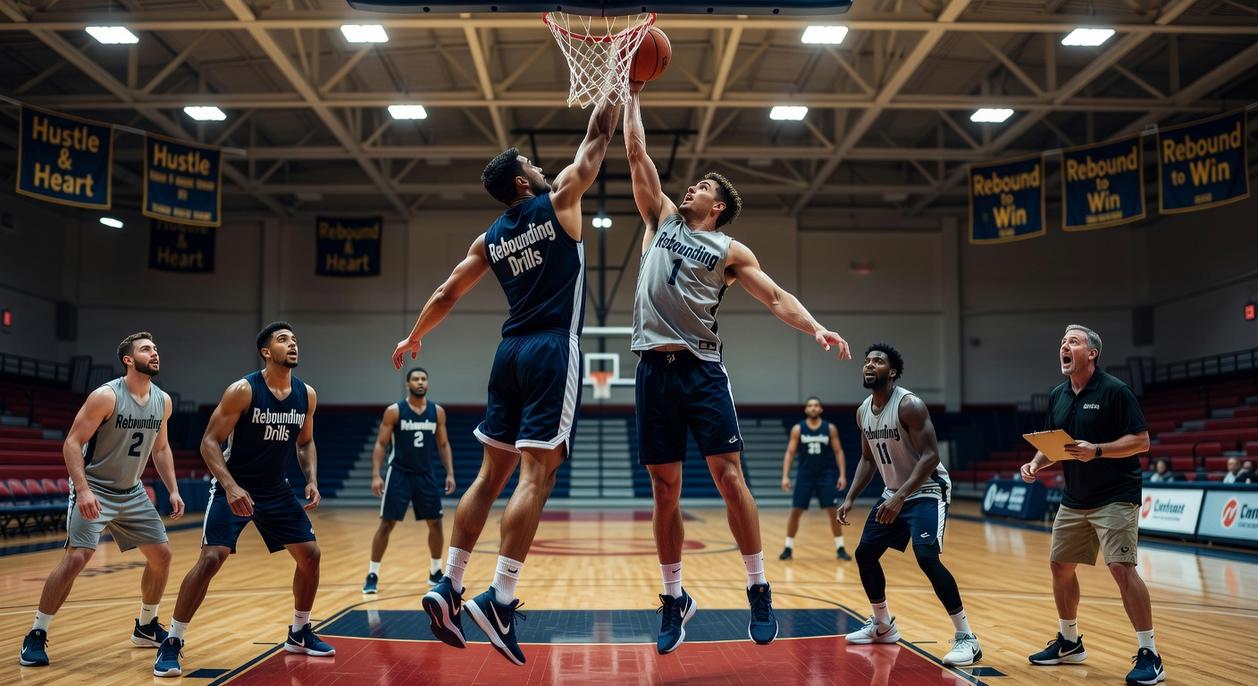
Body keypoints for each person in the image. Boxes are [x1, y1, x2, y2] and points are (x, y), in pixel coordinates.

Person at [622, 81, 851, 655]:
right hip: (652, 370)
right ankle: (674, 597)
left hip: (701, 370)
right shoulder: (660, 218)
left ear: (717, 205)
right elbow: (635, 153)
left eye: (701, 185)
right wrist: (632, 93)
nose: (689, 187)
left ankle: (758, 586)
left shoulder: (730, 250)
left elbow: (775, 298)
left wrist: (816, 326)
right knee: (664, 490)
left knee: (729, 478)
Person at [394, 95, 621, 666]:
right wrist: (619, 83)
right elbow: (596, 140)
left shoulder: (491, 236)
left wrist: (414, 336)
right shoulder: (560, 200)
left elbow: (448, 290)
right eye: (532, 168)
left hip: (508, 353)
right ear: (523, 184)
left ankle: (450, 582)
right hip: (551, 349)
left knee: (491, 473)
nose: (541, 170)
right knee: (536, 475)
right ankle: (500, 598)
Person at [155, 322, 330, 677]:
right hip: (234, 484)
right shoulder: (243, 390)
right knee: (211, 560)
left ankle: (299, 632)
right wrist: (231, 487)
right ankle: (172, 640)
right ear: (267, 352)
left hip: (276, 489)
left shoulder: (306, 394)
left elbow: (305, 442)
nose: (292, 344)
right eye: (283, 340)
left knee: (310, 555)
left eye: (295, 340)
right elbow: (208, 442)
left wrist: (311, 478)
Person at [19, 332, 184, 668]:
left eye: (155, 349)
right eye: (146, 349)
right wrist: (82, 489)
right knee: (78, 557)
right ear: (128, 359)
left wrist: (173, 488)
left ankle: (145, 625)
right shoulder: (106, 396)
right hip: (95, 486)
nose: (154, 354)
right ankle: (36, 633)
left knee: (162, 555)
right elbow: (71, 443)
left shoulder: (162, 400)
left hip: (132, 490)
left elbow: (161, 448)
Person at [1019, 324, 1163, 685]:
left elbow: (1142, 441)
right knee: (1060, 566)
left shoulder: (1116, 391)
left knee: (1120, 567)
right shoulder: (1058, 395)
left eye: (1073, 342)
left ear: (1092, 353)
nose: (1064, 347)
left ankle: (1150, 653)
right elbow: (1055, 443)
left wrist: (1097, 450)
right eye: (1062, 343)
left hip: (1116, 494)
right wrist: (1037, 463)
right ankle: (1069, 642)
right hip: (1075, 497)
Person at [838, 343, 981, 667]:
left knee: (927, 557)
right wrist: (850, 497)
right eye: (867, 361)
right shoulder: (863, 412)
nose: (869, 365)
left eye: (878, 361)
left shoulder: (909, 405)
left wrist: (901, 497)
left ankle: (967, 638)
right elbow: (866, 458)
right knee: (865, 554)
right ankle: (883, 624)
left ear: (892, 373)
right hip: (894, 492)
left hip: (927, 489)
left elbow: (931, 456)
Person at [363, 367, 455, 593]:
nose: (420, 382)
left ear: (428, 383)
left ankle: (435, 571)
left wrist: (450, 472)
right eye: (416, 379)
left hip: (425, 474)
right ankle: (372, 574)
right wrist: (376, 475)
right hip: (399, 473)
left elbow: (443, 444)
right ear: (408, 384)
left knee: (436, 522)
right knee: (386, 524)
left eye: (424, 378)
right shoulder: (394, 411)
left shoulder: (437, 412)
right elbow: (381, 444)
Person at [778, 396, 850, 561]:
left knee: (833, 512)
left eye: (816, 405)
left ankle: (840, 548)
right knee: (796, 511)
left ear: (820, 409)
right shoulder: (798, 429)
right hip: (805, 476)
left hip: (825, 476)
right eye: (810, 405)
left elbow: (839, 451)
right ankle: (788, 547)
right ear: (806, 409)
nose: (813, 408)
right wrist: (785, 476)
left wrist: (842, 475)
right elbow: (789, 453)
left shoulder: (830, 428)